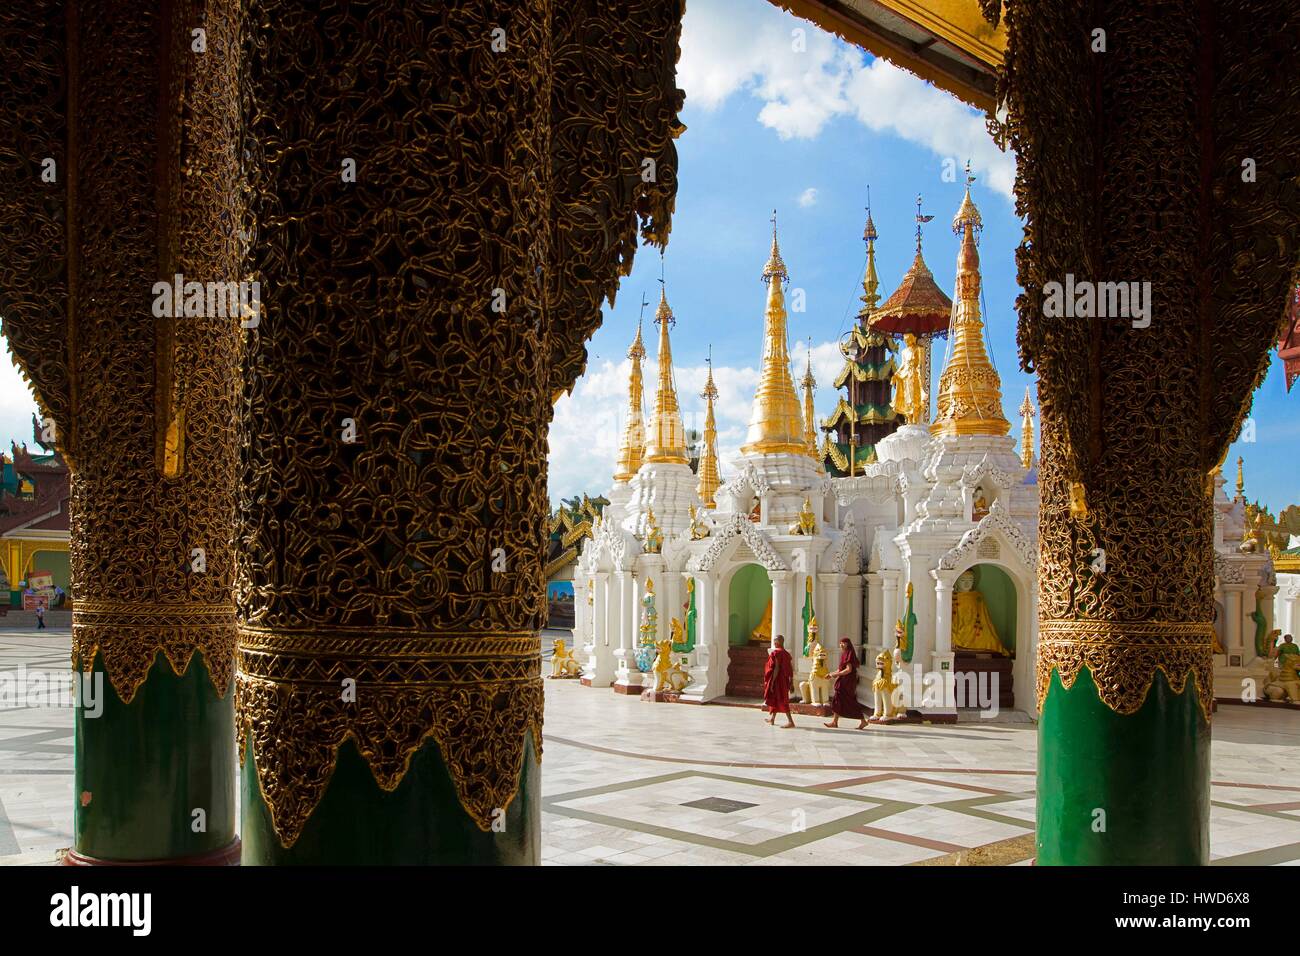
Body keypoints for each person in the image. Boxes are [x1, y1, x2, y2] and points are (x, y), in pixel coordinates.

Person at [824, 637, 867, 730]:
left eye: (843, 643)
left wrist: (837, 674)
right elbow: (840, 669)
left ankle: (863, 720)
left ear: (848, 644)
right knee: (838, 699)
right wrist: (831, 674)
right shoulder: (844, 654)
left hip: (847, 682)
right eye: (840, 643)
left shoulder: (849, 653)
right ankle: (834, 722)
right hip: (843, 681)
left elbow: (848, 670)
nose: (841, 645)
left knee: (849, 701)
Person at [763, 635, 795, 728]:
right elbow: (790, 668)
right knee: (776, 697)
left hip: (778, 680)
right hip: (784, 679)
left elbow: (776, 668)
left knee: (782, 699)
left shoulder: (776, 652)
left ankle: (790, 721)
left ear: (779, 642)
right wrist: (791, 681)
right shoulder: (786, 654)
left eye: (775, 641)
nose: (774, 643)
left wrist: (772, 681)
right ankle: (772, 719)